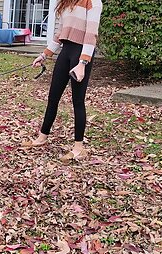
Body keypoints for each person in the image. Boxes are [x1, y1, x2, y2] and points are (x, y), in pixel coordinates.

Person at [21, 0, 103, 162]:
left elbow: (91, 35)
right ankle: (42, 137)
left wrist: (83, 63)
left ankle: (79, 148)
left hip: (81, 54)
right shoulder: (65, 2)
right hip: (66, 52)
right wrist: (44, 55)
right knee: (53, 98)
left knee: (77, 101)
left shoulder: (93, 2)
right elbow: (60, 33)